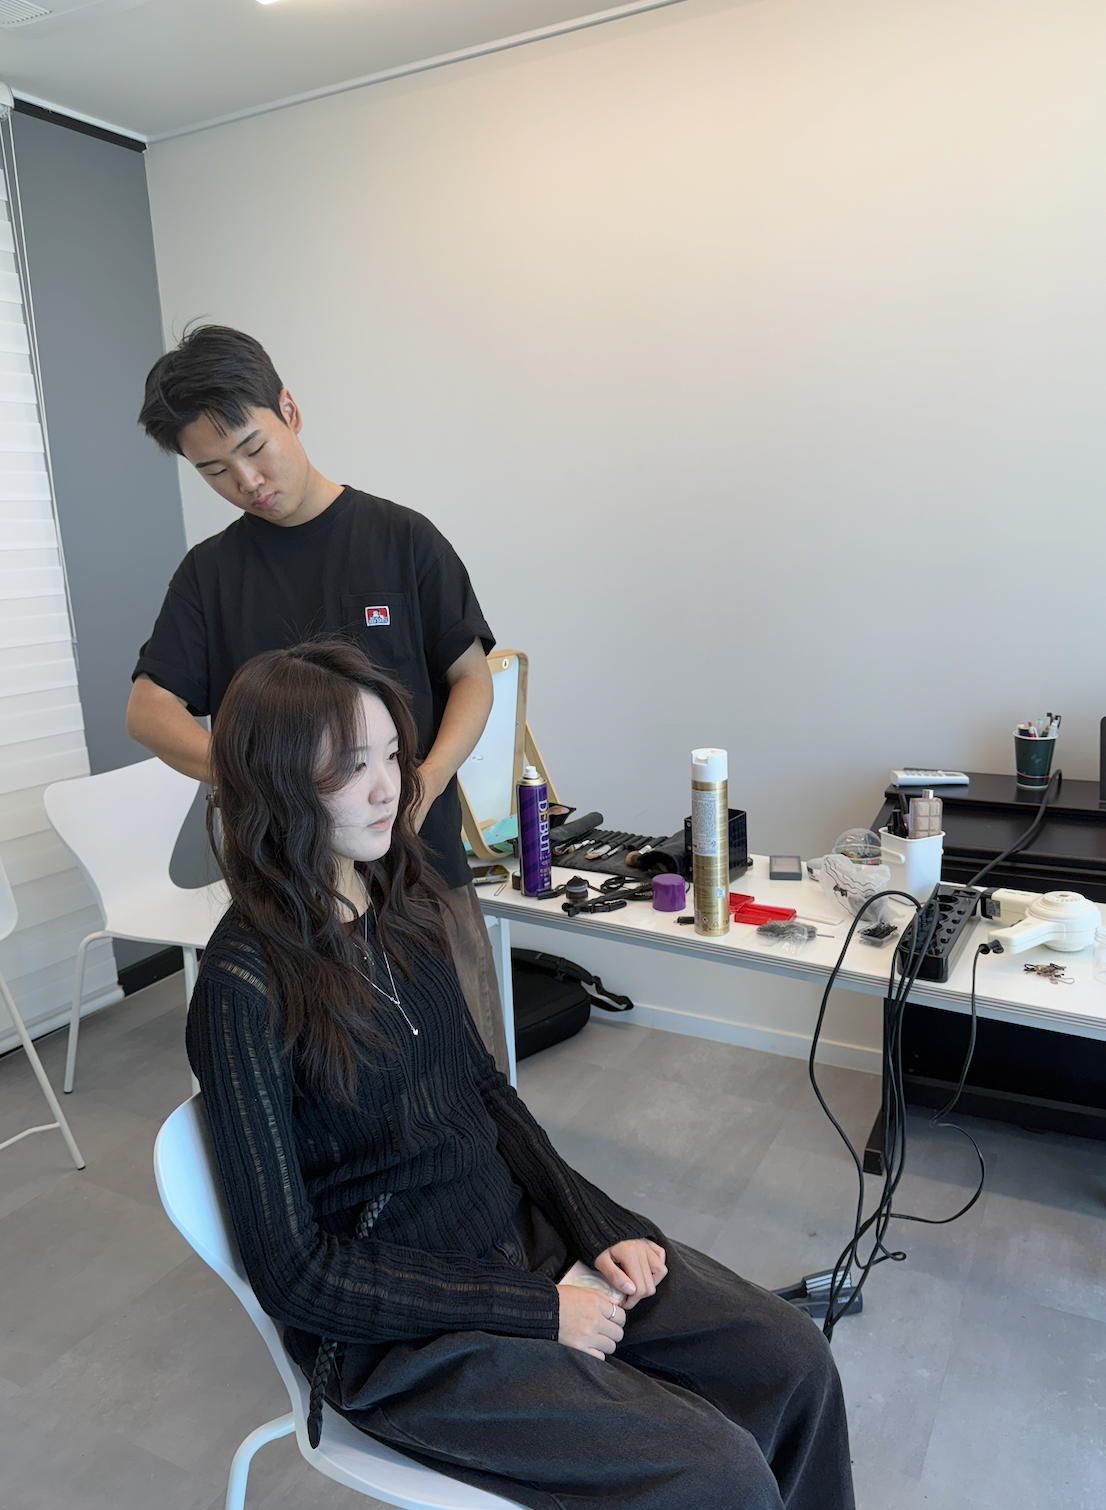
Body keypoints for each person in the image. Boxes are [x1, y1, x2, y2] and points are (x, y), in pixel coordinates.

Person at [187, 639, 856, 1510]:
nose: (390, 788)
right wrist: (536, 1309)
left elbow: (485, 1094)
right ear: (275, 784)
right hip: (398, 1335)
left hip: (512, 1233)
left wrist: (594, 1223)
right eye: (351, 769)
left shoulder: (398, 905)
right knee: (716, 1472)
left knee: (793, 1360)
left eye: (391, 755)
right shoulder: (242, 989)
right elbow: (294, 1274)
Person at [127, 324, 506, 1069]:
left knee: (469, 1074)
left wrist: (425, 782)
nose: (246, 481)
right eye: (214, 471)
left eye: (253, 448)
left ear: (289, 411)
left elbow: (472, 679)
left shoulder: (403, 540)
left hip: (419, 866)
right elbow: (148, 710)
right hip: (289, 893)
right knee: (325, 1088)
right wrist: (256, 778)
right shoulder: (209, 575)